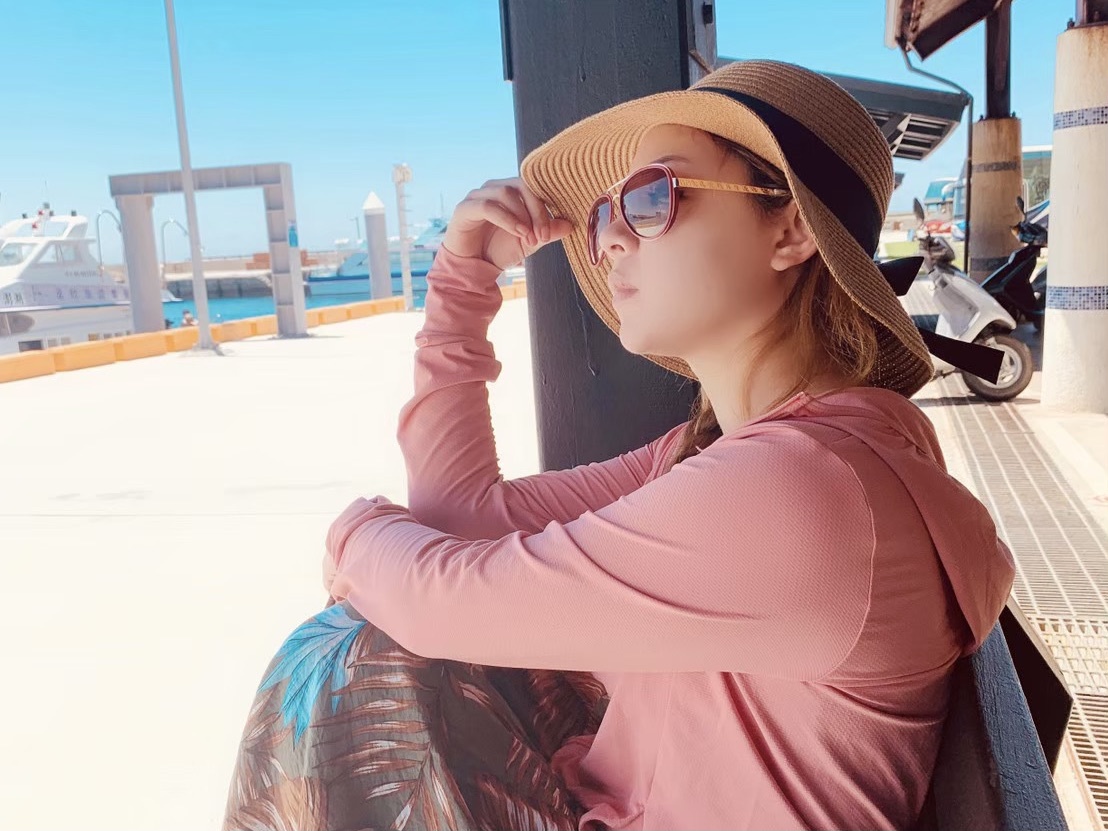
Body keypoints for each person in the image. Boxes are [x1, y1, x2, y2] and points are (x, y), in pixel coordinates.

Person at [223, 60, 1015, 831]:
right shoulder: (734, 453)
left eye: (651, 198)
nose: (608, 242)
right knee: (369, 643)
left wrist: (353, 531)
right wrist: (463, 281)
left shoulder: (800, 488)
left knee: (342, 661)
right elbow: (459, 519)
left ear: (791, 230)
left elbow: (438, 600)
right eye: (607, 214)